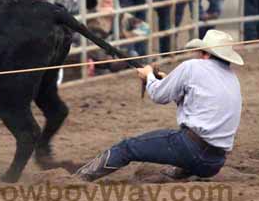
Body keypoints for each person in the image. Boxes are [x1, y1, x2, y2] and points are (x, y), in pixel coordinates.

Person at [77, 29, 242, 182]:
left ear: (206, 54)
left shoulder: (193, 66)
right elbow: (198, 102)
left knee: (127, 147)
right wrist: (165, 80)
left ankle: (80, 178)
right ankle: (178, 172)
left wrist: (149, 76)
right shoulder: (232, 79)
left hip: (192, 149)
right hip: (214, 163)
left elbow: (158, 95)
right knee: (183, 151)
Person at [87, 0, 149, 75]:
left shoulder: (122, 17)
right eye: (107, 3)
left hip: (117, 54)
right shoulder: (92, 18)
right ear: (100, 4)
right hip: (99, 58)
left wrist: (126, 34)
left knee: (133, 54)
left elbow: (146, 29)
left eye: (113, 3)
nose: (111, 6)